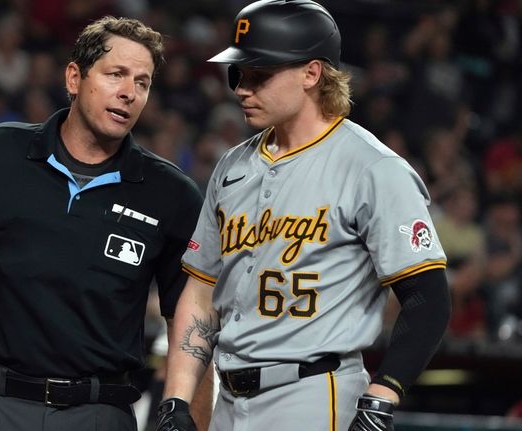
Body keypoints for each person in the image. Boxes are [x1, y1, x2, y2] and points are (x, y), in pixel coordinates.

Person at [0, 16, 209, 431]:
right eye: (116, 75)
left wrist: (195, 422)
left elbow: (192, 321)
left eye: (142, 83)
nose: (129, 93)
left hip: (100, 412)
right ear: (74, 77)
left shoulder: (173, 194)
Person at [156, 1, 452, 431]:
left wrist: (383, 394)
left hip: (314, 394)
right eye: (237, 74)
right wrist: (177, 400)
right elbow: (201, 291)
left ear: (312, 74)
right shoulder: (232, 166)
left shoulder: (371, 167)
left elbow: (427, 298)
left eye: (260, 75)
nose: (241, 88)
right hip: (229, 400)